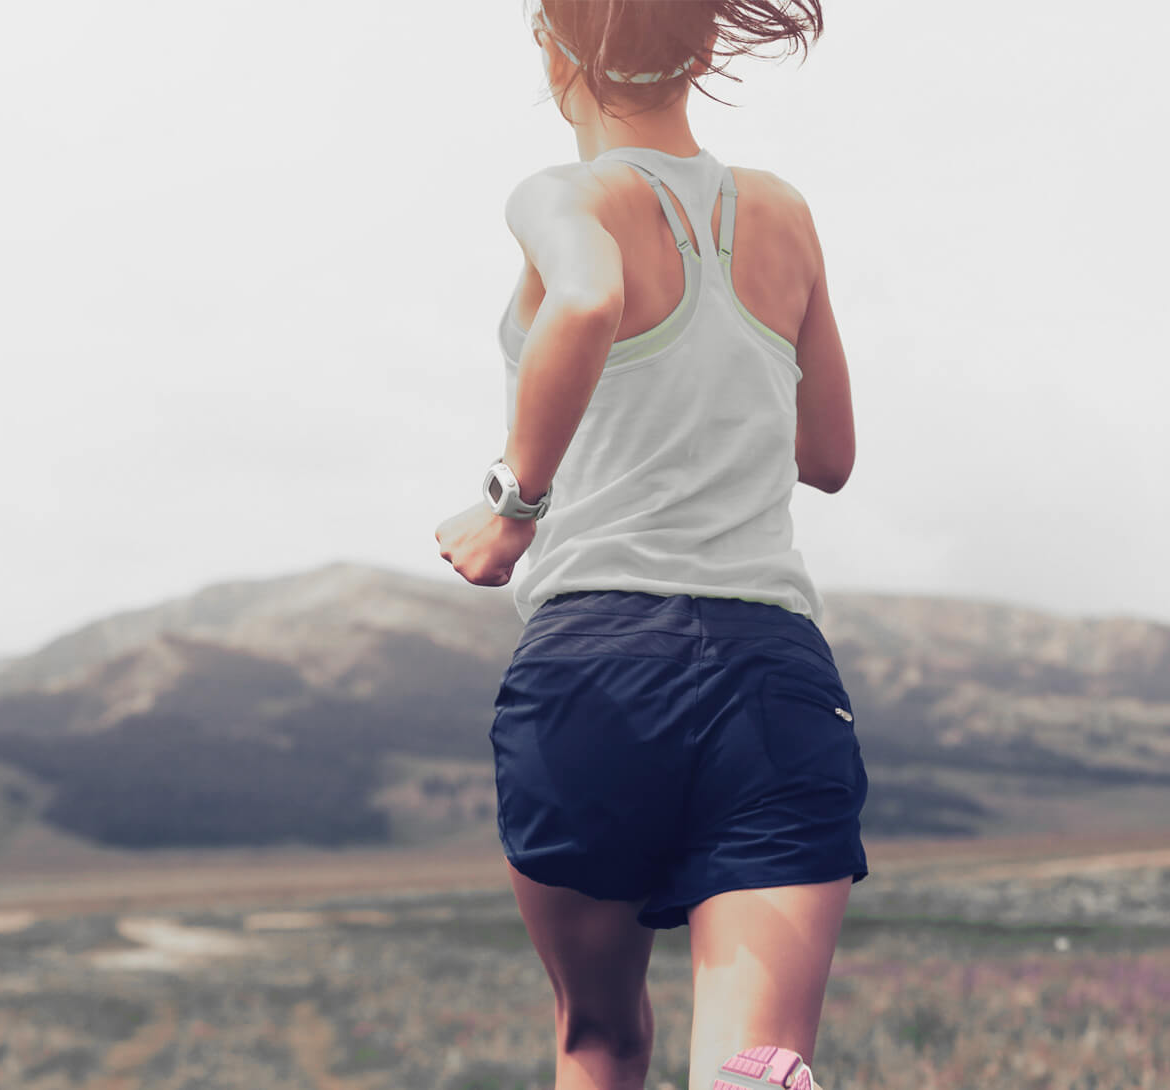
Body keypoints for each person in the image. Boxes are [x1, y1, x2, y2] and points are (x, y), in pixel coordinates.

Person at [434, 2, 862, 1088]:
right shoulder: (783, 213)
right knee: (755, 1062)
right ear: (708, 46)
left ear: (552, 48)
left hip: (595, 671)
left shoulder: (561, 194)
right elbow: (828, 455)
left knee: (600, 1036)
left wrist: (509, 509)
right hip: (769, 677)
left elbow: (585, 300)